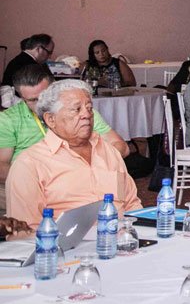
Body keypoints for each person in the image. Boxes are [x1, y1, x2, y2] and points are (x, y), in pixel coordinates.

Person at [5, 79, 141, 228]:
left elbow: (131, 204)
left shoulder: (108, 151)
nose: (86, 115)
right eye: (76, 109)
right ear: (51, 119)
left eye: (89, 108)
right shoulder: (29, 164)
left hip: (122, 236)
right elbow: (26, 230)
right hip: (65, 242)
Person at [0, 65, 127, 206]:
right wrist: (37, 179)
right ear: (22, 98)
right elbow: (2, 165)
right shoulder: (8, 119)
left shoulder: (83, 113)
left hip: (80, 179)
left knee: (118, 195)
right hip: (30, 182)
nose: (40, 104)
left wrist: (91, 170)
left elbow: (121, 146)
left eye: (45, 96)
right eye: (32, 100)